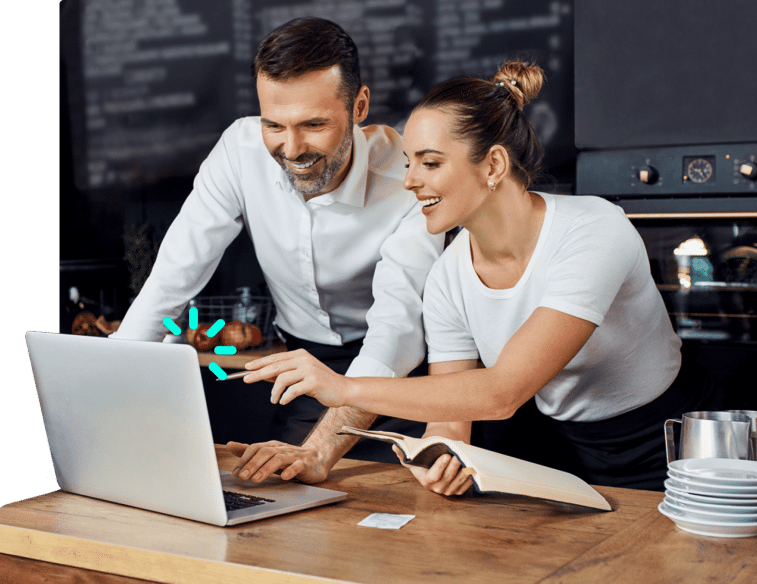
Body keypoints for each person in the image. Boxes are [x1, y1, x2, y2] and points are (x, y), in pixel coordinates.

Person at [230, 59, 723, 493]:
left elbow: (502, 391)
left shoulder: (594, 231)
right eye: (408, 163)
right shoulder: (447, 277)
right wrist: (440, 454)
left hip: (668, 447)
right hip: (559, 452)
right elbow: (454, 411)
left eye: (430, 163)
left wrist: (344, 388)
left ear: (493, 164)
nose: (409, 181)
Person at [112, 17, 444, 458]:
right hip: (303, 367)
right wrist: (109, 381)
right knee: (283, 500)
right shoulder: (239, 151)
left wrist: (322, 451)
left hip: (402, 377)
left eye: (313, 125)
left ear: (360, 106)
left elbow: (396, 330)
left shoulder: (408, 178)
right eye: (274, 125)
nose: (291, 149)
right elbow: (174, 274)